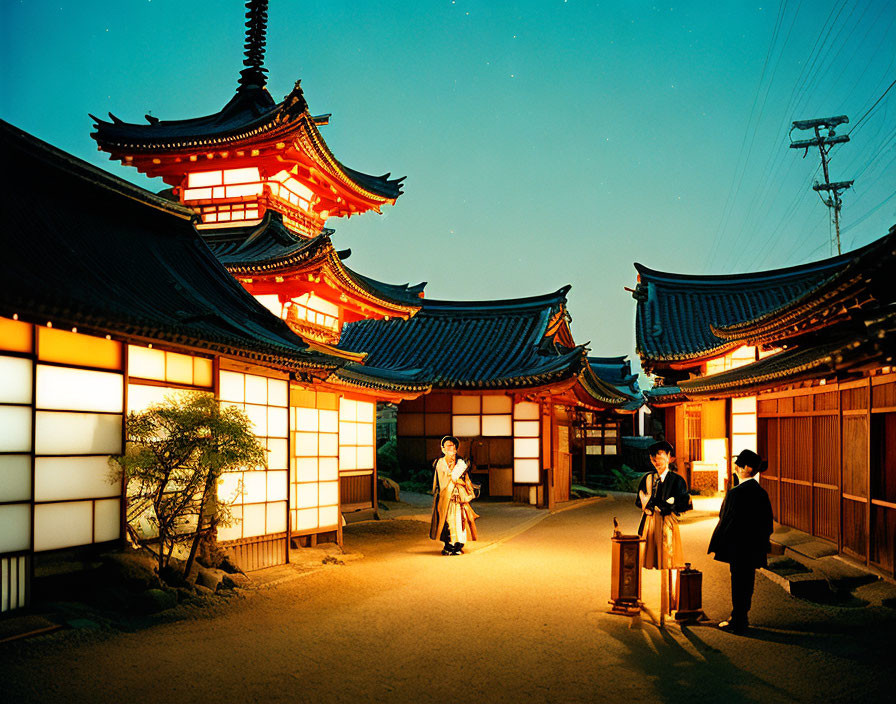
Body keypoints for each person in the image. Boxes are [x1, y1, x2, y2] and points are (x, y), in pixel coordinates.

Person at [708, 449, 774, 634]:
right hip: (753, 547)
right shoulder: (761, 493)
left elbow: (725, 518)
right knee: (747, 583)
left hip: (737, 547)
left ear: (748, 468)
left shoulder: (736, 493)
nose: (736, 467)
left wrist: (720, 543)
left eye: (739, 464)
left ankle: (738, 621)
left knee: (738, 583)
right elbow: (767, 523)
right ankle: (741, 617)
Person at [635, 440, 691, 570]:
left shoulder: (677, 480)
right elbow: (639, 500)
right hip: (650, 521)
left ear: (669, 457)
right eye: (653, 459)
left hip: (668, 521)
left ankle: (669, 586)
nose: (656, 462)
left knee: (668, 555)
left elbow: (684, 502)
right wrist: (647, 505)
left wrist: (670, 505)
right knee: (649, 556)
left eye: (660, 458)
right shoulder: (648, 478)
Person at [429, 436, 479, 555]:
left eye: (452, 446)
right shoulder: (440, 463)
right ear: (443, 449)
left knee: (460, 521)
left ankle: (458, 545)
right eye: (447, 446)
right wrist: (455, 478)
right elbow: (445, 480)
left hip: (459, 500)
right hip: (445, 498)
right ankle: (449, 545)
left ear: (456, 449)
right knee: (447, 522)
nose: (450, 448)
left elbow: (461, 479)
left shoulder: (461, 463)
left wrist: (458, 480)